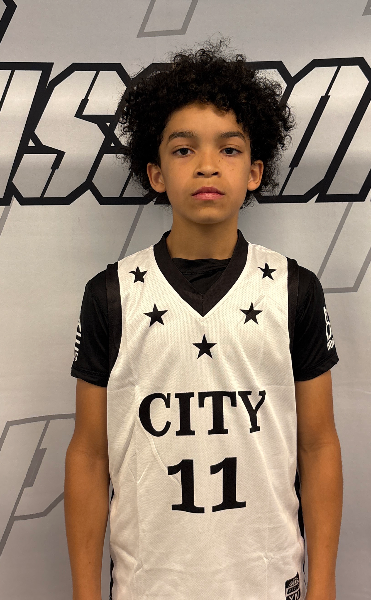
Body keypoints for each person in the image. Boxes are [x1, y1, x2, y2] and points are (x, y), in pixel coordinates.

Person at [64, 40, 343, 600]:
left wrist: (324, 585)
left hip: (267, 582)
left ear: (256, 171)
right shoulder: (111, 295)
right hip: (149, 586)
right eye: (184, 148)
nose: (208, 164)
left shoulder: (294, 289)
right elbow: (90, 455)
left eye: (230, 149)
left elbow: (318, 446)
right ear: (156, 173)